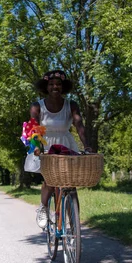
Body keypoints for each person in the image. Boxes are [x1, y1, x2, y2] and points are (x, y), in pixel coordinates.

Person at [30, 70, 91, 229]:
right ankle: (43, 207)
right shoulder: (37, 106)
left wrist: (87, 146)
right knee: (49, 180)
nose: (55, 87)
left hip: (65, 144)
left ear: (63, 87)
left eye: (58, 84)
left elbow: (79, 126)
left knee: (70, 182)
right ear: (46, 87)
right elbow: (34, 128)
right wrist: (37, 147)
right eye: (51, 84)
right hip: (46, 144)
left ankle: (74, 224)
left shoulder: (71, 105)